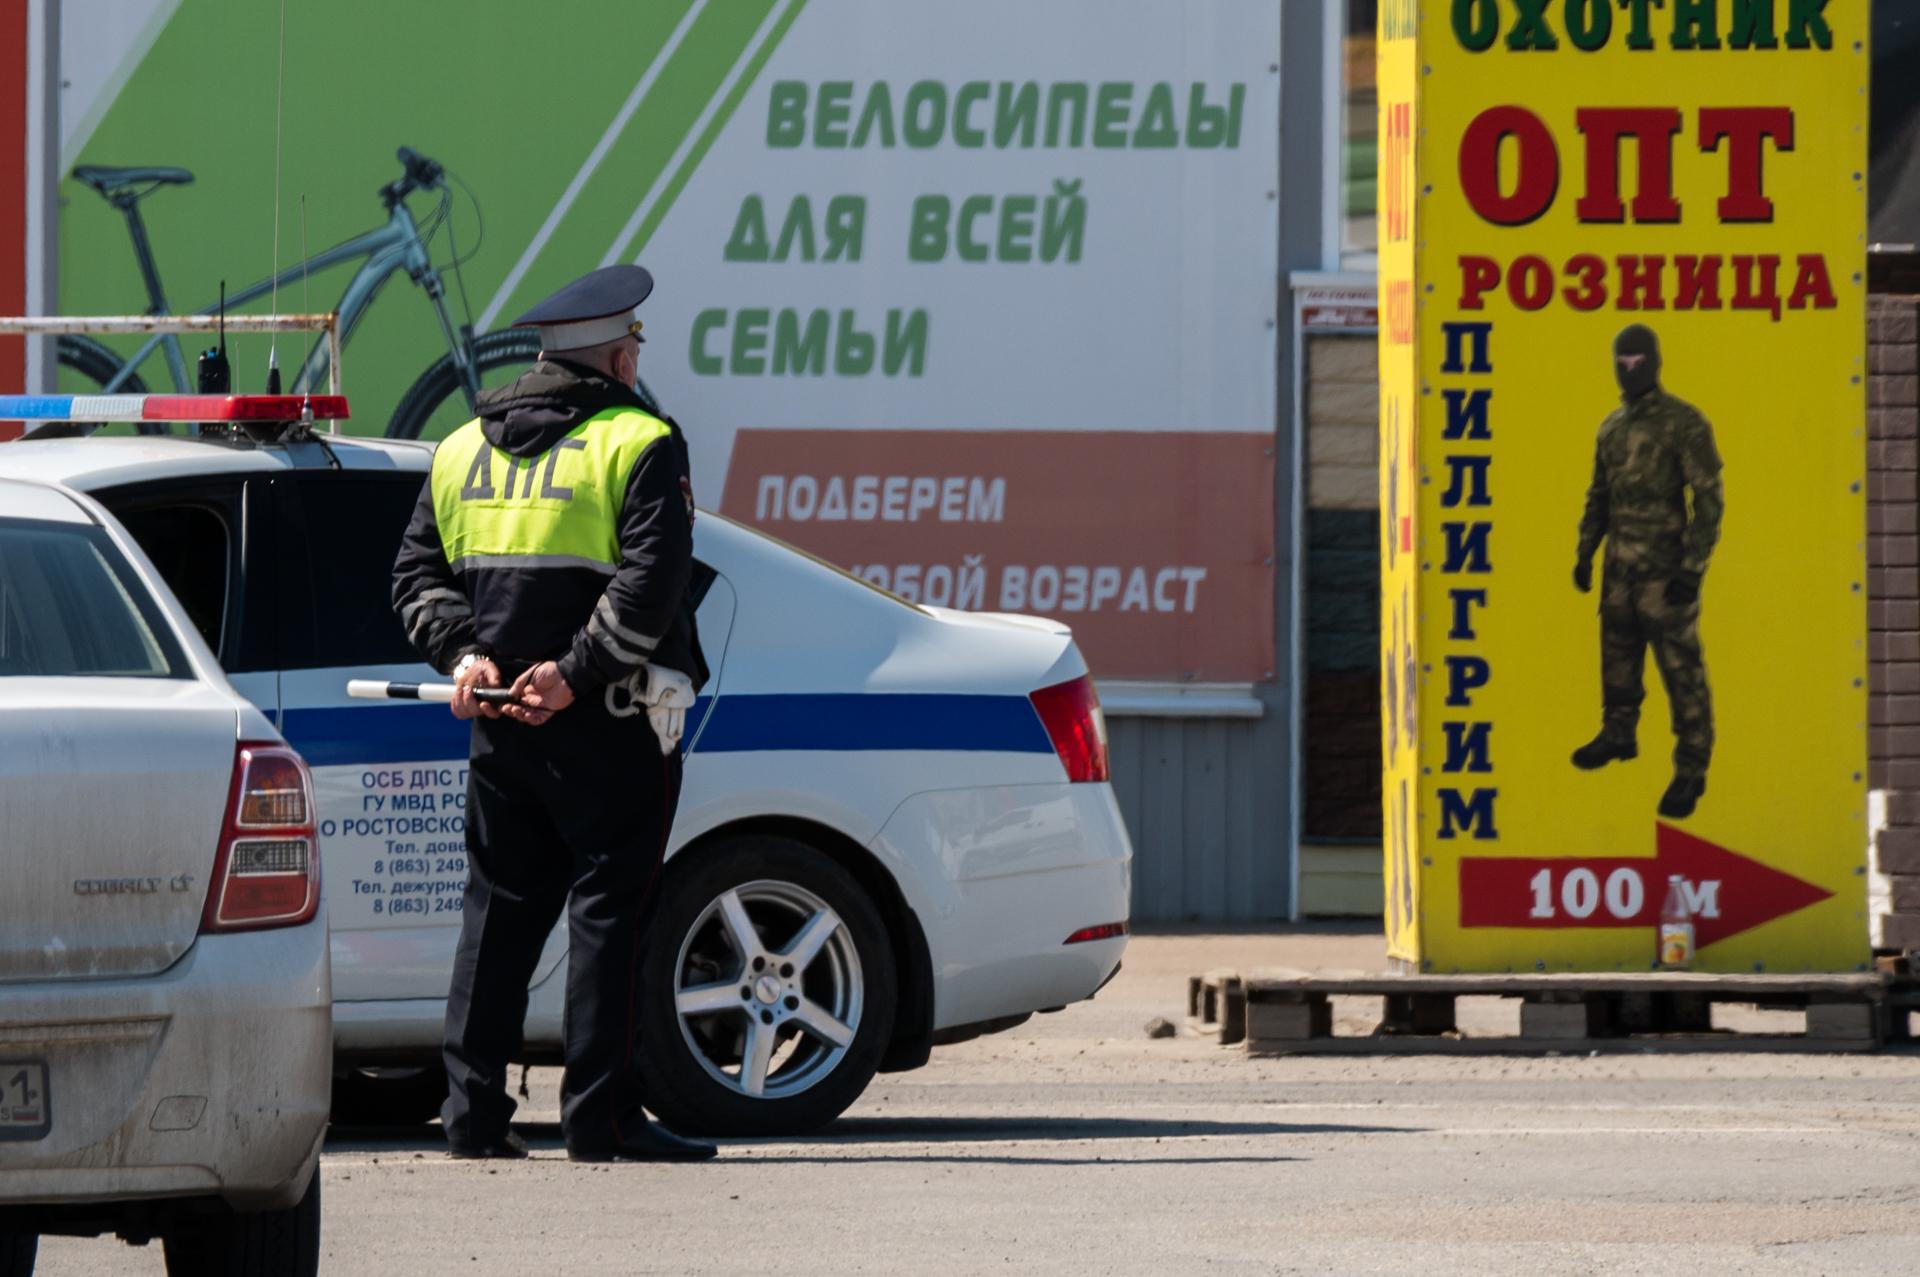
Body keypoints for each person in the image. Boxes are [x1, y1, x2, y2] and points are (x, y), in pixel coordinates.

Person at [392, 264, 716, 1162]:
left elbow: (414, 578)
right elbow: (651, 587)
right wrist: (573, 674)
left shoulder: (460, 448)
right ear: (618, 355)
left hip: (499, 722)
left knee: (496, 913)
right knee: (611, 915)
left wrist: (468, 658)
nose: (637, 360)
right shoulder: (640, 440)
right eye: (635, 347)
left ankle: (472, 1118)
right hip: (609, 721)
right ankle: (600, 1120)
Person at [1570, 323, 1724, 820]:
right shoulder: (1611, 428)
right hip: (1621, 569)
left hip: (1666, 571)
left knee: (1681, 671)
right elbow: (1599, 495)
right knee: (1617, 658)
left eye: (1638, 361)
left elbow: (1708, 499)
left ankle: (1692, 767)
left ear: (1654, 362)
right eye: (1622, 360)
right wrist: (1585, 551)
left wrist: (1693, 567)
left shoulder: (1684, 423)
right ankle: (1618, 734)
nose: (1630, 369)